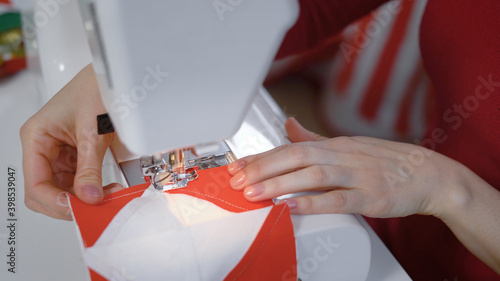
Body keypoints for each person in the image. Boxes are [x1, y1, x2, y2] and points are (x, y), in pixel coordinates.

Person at [20, 0, 499, 280]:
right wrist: (133, 72)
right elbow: (300, 9)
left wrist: (451, 190)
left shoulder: (439, 190)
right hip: (408, 236)